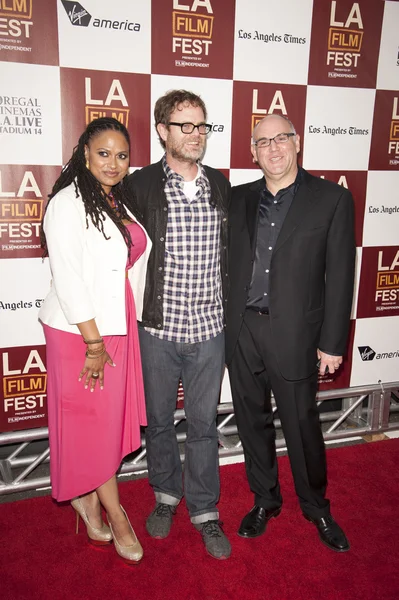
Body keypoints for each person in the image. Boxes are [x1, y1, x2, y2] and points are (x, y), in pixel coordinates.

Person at [225, 114, 355, 552]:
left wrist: (333, 343)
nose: (273, 148)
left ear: (297, 143)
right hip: (242, 330)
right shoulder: (237, 198)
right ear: (252, 150)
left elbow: (340, 276)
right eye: (263, 141)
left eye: (281, 138)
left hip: (297, 335)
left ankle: (317, 507)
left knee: (302, 426)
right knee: (250, 422)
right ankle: (265, 500)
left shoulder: (332, 199)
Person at [39, 117, 152, 565]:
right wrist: (92, 344)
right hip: (82, 332)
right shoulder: (67, 203)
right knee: (94, 428)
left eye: (121, 155)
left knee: (103, 427)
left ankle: (88, 501)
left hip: (116, 324)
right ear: (85, 154)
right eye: (103, 153)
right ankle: (116, 513)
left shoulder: (113, 200)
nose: (113, 162)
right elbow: (66, 277)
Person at [125, 90, 231, 560]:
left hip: (210, 329)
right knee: (162, 423)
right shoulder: (138, 185)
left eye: (201, 125)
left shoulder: (222, 186)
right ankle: (166, 496)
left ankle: (206, 511)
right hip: (158, 330)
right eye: (184, 126)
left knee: (205, 424)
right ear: (162, 131)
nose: (196, 135)